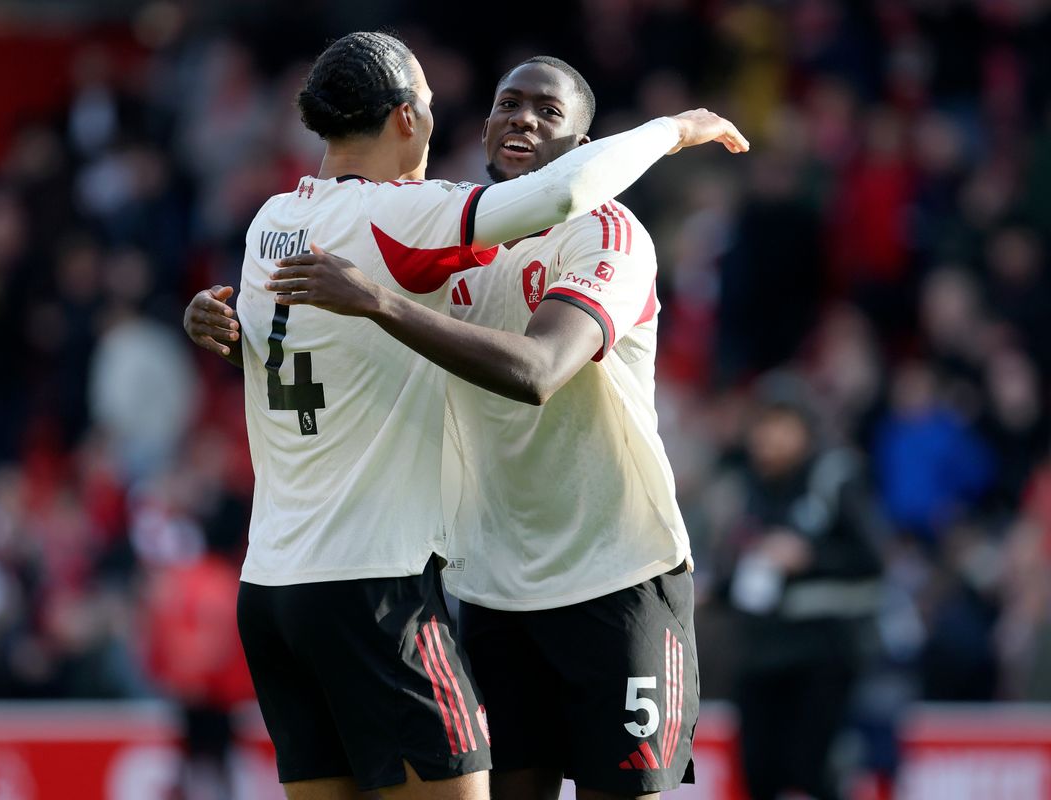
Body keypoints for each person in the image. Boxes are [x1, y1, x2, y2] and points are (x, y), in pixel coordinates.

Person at [187, 49, 746, 800]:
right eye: (508, 104)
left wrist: (379, 306)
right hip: (493, 586)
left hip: (614, 571)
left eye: (547, 112)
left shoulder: (606, 236)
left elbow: (539, 371)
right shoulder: (439, 236)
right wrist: (239, 333)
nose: (521, 117)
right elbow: (343, 355)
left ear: (581, 150)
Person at [712, 373, 883, 800]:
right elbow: (748, 574)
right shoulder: (752, 488)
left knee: (812, 774)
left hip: (821, 652)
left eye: (779, 425)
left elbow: (873, 561)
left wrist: (809, 555)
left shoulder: (833, 479)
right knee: (757, 772)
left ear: (804, 429)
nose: (767, 438)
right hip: (761, 653)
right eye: (762, 426)